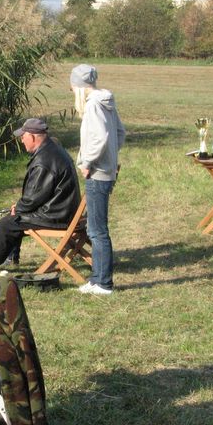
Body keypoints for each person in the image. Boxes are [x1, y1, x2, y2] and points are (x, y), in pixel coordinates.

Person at [0, 118, 80, 274]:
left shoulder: (43, 161)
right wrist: (19, 208)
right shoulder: (53, 149)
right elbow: (41, 193)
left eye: (23, 136)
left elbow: (33, 198)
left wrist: (19, 208)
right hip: (62, 210)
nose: (21, 140)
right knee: (10, 221)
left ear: (32, 137)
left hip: (57, 215)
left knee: (8, 224)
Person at [70, 64, 126, 296]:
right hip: (105, 170)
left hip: (98, 173)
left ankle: (104, 283)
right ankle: (96, 279)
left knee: (97, 230)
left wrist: (87, 163)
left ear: (79, 87)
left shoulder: (93, 105)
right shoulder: (107, 102)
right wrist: (111, 157)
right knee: (95, 228)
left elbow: (101, 137)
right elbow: (120, 133)